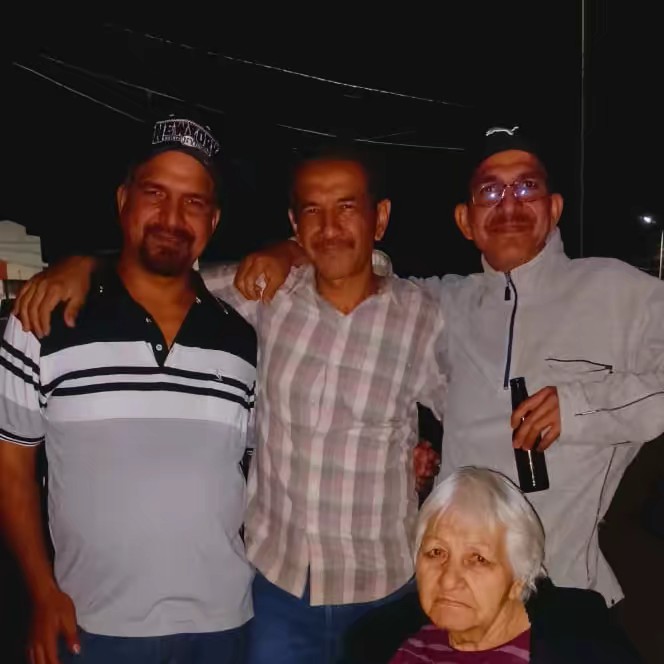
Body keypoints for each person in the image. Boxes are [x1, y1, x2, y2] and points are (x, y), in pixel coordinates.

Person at [14, 144, 448, 664]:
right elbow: (163, 267)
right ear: (295, 224)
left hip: (384, 587)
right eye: (313, 210)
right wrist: (84, 265)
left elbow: (468, 412)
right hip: (277, 590)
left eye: (347, 207)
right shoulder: (263, 294)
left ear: (380, 217)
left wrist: (434, 471)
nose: (330, 227)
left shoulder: (424, 317)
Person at [201, 124, 664, 610]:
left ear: (554, 207)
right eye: (490, 191)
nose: (509, 204)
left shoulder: (614, 291)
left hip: (560, 589)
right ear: (466, 220)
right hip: (452, 594)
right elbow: (359, 273)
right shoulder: (443, 304)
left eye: (527, 187)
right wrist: (291, 249)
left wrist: (581, 406)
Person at [0, 115, 257, 664]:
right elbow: (11, 467)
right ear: (123, 200)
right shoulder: (42, 321)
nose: (172, 218)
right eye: (155, 193)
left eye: (193, 202)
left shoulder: (242, 338)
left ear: (213, 220)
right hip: (91, 623)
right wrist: (41, 592)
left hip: (223, 625)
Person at [346, 467, 642, 663]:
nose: (448, 580)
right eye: (436, 552)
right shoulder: (382, 644)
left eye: (478, 559)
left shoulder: (581, 652)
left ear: (519, 577)